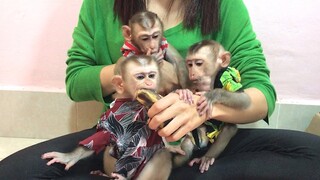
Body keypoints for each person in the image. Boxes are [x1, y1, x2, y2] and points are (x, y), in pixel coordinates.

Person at [0, 0, 319, 179]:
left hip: (203, 138)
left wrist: (205, 106)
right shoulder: (102, 7)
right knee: (15, 172)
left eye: (157, 40)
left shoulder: (224, 7)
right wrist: (131, 70)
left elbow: (262, 94)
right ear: (129, 33)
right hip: (131, 138)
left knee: (311, 154)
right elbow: (76, 79)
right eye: (144, 38)